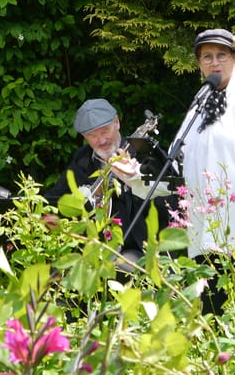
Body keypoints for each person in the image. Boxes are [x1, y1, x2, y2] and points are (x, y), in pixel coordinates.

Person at [114, 29, 235, 315]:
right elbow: (179, 176)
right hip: (203, 241)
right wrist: (136, 175)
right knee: (212, 327)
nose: (215, 63)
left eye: (221, 55)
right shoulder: (195, 112)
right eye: (207, 57)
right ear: (200, 64)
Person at [45, 99, 164, 273]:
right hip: (94, 244)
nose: (101, 141)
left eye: (105, 131)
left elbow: (167, 200)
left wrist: (131, 179)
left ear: (117, 122)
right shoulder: (82, 159)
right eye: (92, 136)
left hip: (137, 245)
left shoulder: (145, 155)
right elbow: (53, 199)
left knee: (113, 268)